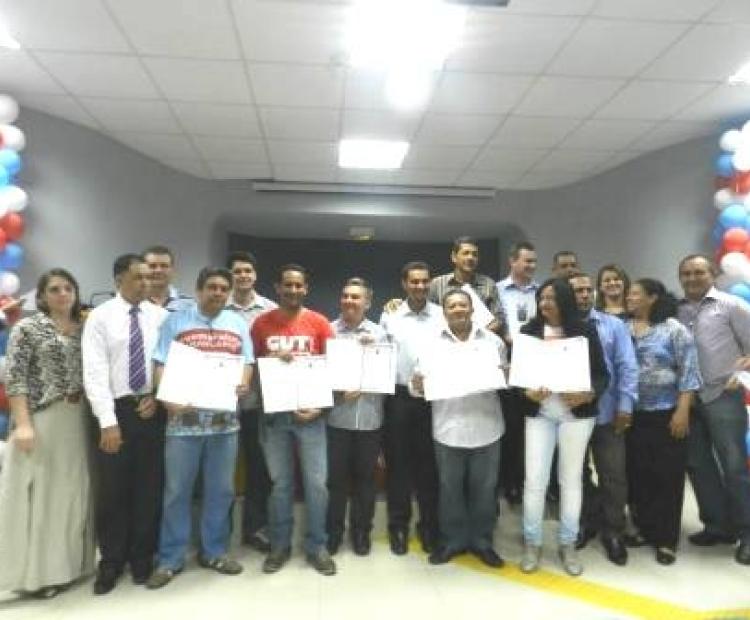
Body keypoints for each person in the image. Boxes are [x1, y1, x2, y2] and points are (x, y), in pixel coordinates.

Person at [147, 267, 254, 589]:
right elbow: (160, 362)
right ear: (199, 290)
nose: (218, 293)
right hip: (183, 425)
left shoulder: (237, 323)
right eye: (212, 287)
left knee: (221, 491)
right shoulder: (176, 321)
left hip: (224, 425)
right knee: (177, 492)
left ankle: (215, 552)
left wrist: (244, 383)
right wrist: (166, 397)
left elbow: (247, 361)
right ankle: (170, 558)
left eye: (223, 288)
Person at [0, 269, 95, 598]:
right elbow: (15, 378)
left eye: (68, 288)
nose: (63, 294)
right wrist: (23, 424)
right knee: (40, 498)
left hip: (78, 419)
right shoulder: (27, 329)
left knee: (71, 494)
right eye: (54, 289)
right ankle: (38, 577)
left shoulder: (85, 329)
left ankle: (68, 568)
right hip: (42, 419)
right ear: (41, 296)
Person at [82, 254, 168, 594]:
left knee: (149, 488)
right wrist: (107, 422)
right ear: (119, 280)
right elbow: (94, 372)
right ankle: (111, 561)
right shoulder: (100, 317)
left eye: (148, 277)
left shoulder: (161, 316)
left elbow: (167, 363)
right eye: (138, 278)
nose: (146, 283)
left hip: (151, 410)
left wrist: (158, 396)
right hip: (114, 412)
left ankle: (141, 557)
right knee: (113, 491)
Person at [518, 278, 609, 577]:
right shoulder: (528, 331)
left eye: (552, 298)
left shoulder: (585, 331)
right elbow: (517, 378)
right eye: (542, 298)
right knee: (535, 480)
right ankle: (532, 542)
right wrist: (526, 392)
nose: (545, 303)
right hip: (540, 414)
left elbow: (602, 375)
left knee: (571, 481)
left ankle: (567, 543)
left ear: (565, 301)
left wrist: (588, 394)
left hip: (576, 415)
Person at [251, 264, 337, 576]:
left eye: (298, 285)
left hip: (311, 417)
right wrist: (269, 362)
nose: (293, 290)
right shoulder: (261, 324)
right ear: (277, 287)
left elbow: (334, 369)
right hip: (274, 417)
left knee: (317, 485)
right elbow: (250, 369)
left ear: (306, 288)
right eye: (287, 285)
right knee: (280, 485)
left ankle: (317, 546)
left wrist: (321, 409)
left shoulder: (319, 323)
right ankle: (279, 545)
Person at [411, 289, 507, 568]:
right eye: (452, 306)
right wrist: (417, 386)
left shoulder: (492, 342)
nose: (458, 310)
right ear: (444, 312)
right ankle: (452, 541)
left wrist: (508, 375)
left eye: (463, 305)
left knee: (485, 489)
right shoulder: (430, 344)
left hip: (487, 426)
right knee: (449, 489)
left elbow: (505, 377)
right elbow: (417, 386)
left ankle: (482, 542)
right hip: (448, 428)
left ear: (472, 309)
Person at [677, 254, 750, 565]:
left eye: (698, 272)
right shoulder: (676, 310)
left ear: (713, 274)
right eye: (686, 273)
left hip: (723, 396)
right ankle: (718, 526)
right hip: (689, 400)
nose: (692, 278)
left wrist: (743, 372)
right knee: (698, 466)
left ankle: (747, 534)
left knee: (734, 466)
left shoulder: (731, 305)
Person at [626, 278, 701, 565]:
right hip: (632, 415)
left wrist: (683, 411)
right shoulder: (623, 328)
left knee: (667, 477)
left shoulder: (673, 329)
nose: (629, 297)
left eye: (635, 293)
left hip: (666, 414)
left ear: (652, 297)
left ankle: (666, 540)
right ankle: (646, 529)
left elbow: (689, 372)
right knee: (639, 475)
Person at [569, 273, 638, 566]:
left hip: (608, 414)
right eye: (578, 291)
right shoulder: (558, 326)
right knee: (576, 475)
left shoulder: (614, 325)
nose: (585, 295)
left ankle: (614, 532)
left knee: (613, 476)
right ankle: (587, 522)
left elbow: (627, 366)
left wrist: (626, 406)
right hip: (570, 416)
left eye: (588, 290)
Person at [379, 261, 444, 555]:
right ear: (404, 284)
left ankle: (429, 526)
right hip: (400, 398)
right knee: (399, 466)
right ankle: (398, 527)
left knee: (429, 467)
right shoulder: (390, 316)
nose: (420, 286)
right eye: (414, 281)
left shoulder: (442, 315)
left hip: (433, 399)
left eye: (425, 281)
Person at [326, 278, 386, 556]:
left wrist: (375, 353)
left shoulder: (380, 334)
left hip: (370, 420)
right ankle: (333, 533)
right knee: (335, 481)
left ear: (367, 303)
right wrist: (336, 392)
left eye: (356, 297)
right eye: (345, 296)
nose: (349, 301)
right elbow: (316, 374)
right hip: (336, 420)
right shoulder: (327, 330)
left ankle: (361, 533)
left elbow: (388, 376)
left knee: (366, 481)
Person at [225, 250, 277, 553]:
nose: (243, 276)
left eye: (248, 270)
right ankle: (221, 534)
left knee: (259, 469)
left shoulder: (270, 310)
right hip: (222, 403)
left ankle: (255, 529)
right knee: (222, 470)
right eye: (237, 271)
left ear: (255, 275)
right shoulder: (218, 307)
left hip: (259, 402)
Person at [496, 240, 539, 505]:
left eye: (534, 261)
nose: (532, 265)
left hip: (535, 359)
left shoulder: (542, 292)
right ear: (512, 261)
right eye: (527, 261)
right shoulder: (497, 290)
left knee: (530, 423)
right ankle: (507, 482)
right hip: (507, 357)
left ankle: (524, 481)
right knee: (508, 423)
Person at [429, 236, 505, 335]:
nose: (470, 258)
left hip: (480, 339)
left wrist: (476, 336)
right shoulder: (437, 284)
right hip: (446, 339)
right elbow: (430, 316)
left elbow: (499, 319)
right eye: (465, 253)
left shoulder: (488, 284)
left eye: (474, 254)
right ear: (454, 257)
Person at [142, 245, 193, 312]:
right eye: (152, 266)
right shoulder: (132, 303)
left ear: (172, 270)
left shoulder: (189, 305)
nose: (158, 270)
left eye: (164, 266)